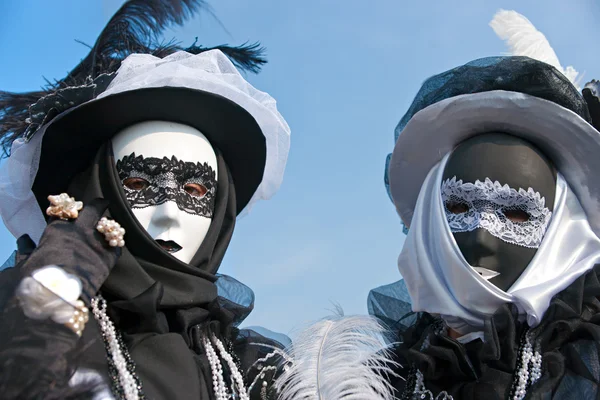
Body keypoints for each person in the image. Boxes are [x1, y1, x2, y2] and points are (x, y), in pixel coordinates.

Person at [0, 1, 291, 399]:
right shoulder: (23, 323)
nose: (169, 215)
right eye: (138, 184)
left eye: (194, 191)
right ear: (99, 191)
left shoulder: (255, 367)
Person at [370, 11, 600, 400]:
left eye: (516, 212)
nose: (482, 237)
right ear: (429, 221)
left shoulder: (586, 363)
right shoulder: (378, 378)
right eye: (458, 208)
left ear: (562, 227)